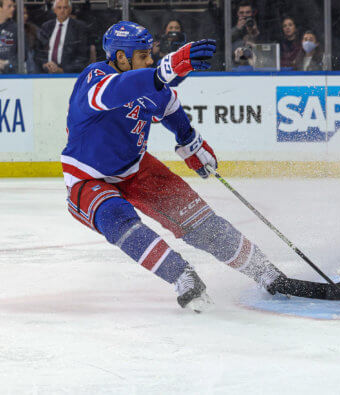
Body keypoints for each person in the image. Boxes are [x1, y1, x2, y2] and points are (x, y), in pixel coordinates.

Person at [61, 21, 290, 311]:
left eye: (151, 54)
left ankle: (263, 270)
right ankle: (182, 276)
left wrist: (189, 141)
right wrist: (162, 72)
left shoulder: (150, 82)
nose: (150, 60)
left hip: (136, 167)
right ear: (121, 57)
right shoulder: (95, 78)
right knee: (116, 218)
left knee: (198, 220)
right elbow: (117, 91)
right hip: (87, 176)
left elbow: (169, 107)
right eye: (143, 55)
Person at [36, 0, 89, 73]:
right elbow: (39, 51)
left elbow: (82, 56)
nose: (62, 11)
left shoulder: (79, 27)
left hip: (68, 75)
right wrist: (45, 64)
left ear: (70, 10)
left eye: (65, 8)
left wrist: (63, 70)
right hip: (47, 73)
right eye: (59, 7)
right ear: (54, 10)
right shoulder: (46, 26)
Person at [0, 0, 29, 73]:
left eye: (13, 6)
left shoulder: (17, 29)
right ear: (0, 8)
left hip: (10, 76)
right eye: (9, 6)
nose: (13, 9)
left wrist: (7, 64)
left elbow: (23, 55)